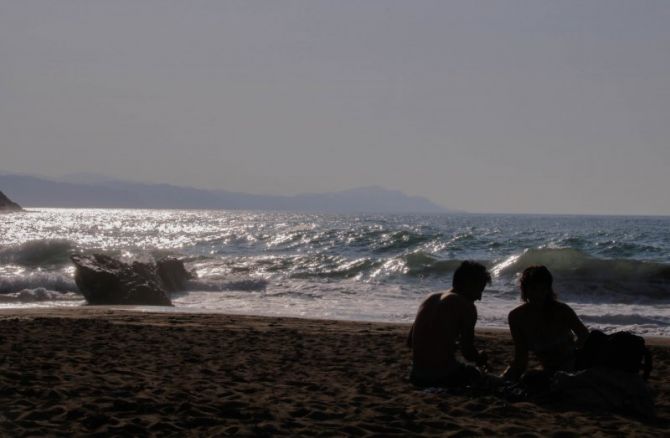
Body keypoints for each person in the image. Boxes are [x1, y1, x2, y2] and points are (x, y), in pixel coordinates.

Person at [407, 260, 491, 387]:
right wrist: (480, 357)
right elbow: (467, 352)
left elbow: (409, 342)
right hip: (443, 376)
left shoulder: (429, 298)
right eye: (479, 290)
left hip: (416, 375)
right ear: (468, 284)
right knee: (484, 378)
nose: (480, 297)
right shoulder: (466, 306)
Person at [502, 265, 589, 383]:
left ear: (548, 290)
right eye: (533, 289)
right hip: (549, 369)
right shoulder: (517, 317)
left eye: (543, 289)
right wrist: (506, 377)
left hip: (572, 364)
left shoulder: (562, 310)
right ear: (524, 289)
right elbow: (521, 357)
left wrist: (571, 351)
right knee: (527, 379)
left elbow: (584, 336)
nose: (538, 295)